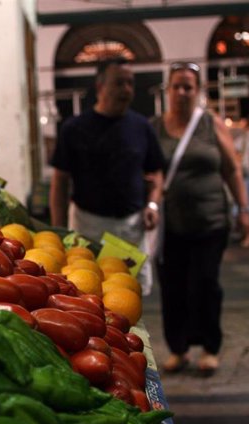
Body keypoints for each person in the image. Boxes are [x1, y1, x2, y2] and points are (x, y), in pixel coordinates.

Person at [149, 62, 249, 374]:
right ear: (167, 90)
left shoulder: (210, 124)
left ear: (197, 91)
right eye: (177, 86)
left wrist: (244, 209)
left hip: (210, 221)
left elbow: (231, 169)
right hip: (170, 226)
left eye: (188, 87)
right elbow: (148, 171)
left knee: (205, 284)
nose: (182, 92)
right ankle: (178, 349)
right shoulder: (154, 127)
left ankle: (209, 347)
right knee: (172, 287)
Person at [48, 57, 165, 294]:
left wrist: (153, 204)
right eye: (119, 83)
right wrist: (58, 231)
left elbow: (156, 172)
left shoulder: (142, 127)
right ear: (100, 86)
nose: (126, 90)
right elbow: (60, 182)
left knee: (132, 294)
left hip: (131, 228)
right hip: (88, 226)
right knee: (88, 291)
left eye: (130, 83)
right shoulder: (74, 128)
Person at [232, 116, 249, 248]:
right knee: (246, 206)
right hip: (247, 174)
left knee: (248, 206)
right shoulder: (244, 138)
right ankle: (246, 234)